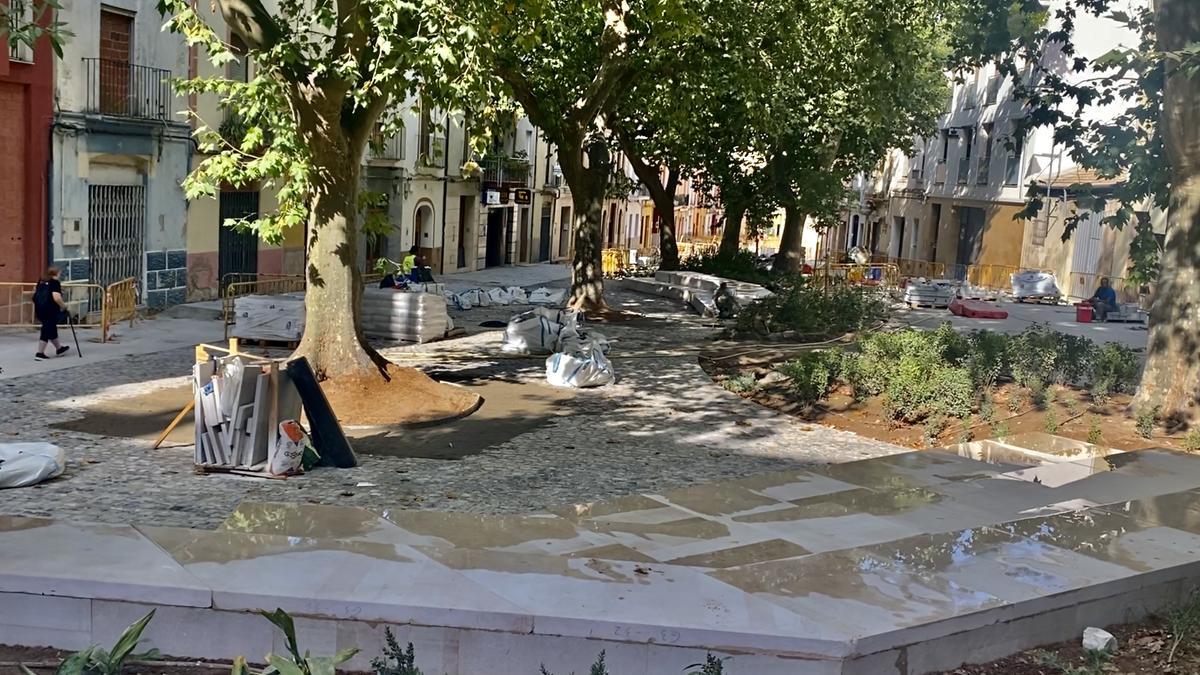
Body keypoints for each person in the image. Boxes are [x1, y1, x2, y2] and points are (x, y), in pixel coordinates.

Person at [33, 267, 70, 360]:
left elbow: (35, 292)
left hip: (40, 308)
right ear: (56, 273)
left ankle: (59, 349)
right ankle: (40, 353)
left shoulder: (41, 280)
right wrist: (64, 306)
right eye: (59, 273)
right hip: (50, 309)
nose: (60, 275)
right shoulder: (54, 283)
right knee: (46, 329)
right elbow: (56, 297)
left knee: (51, 328)